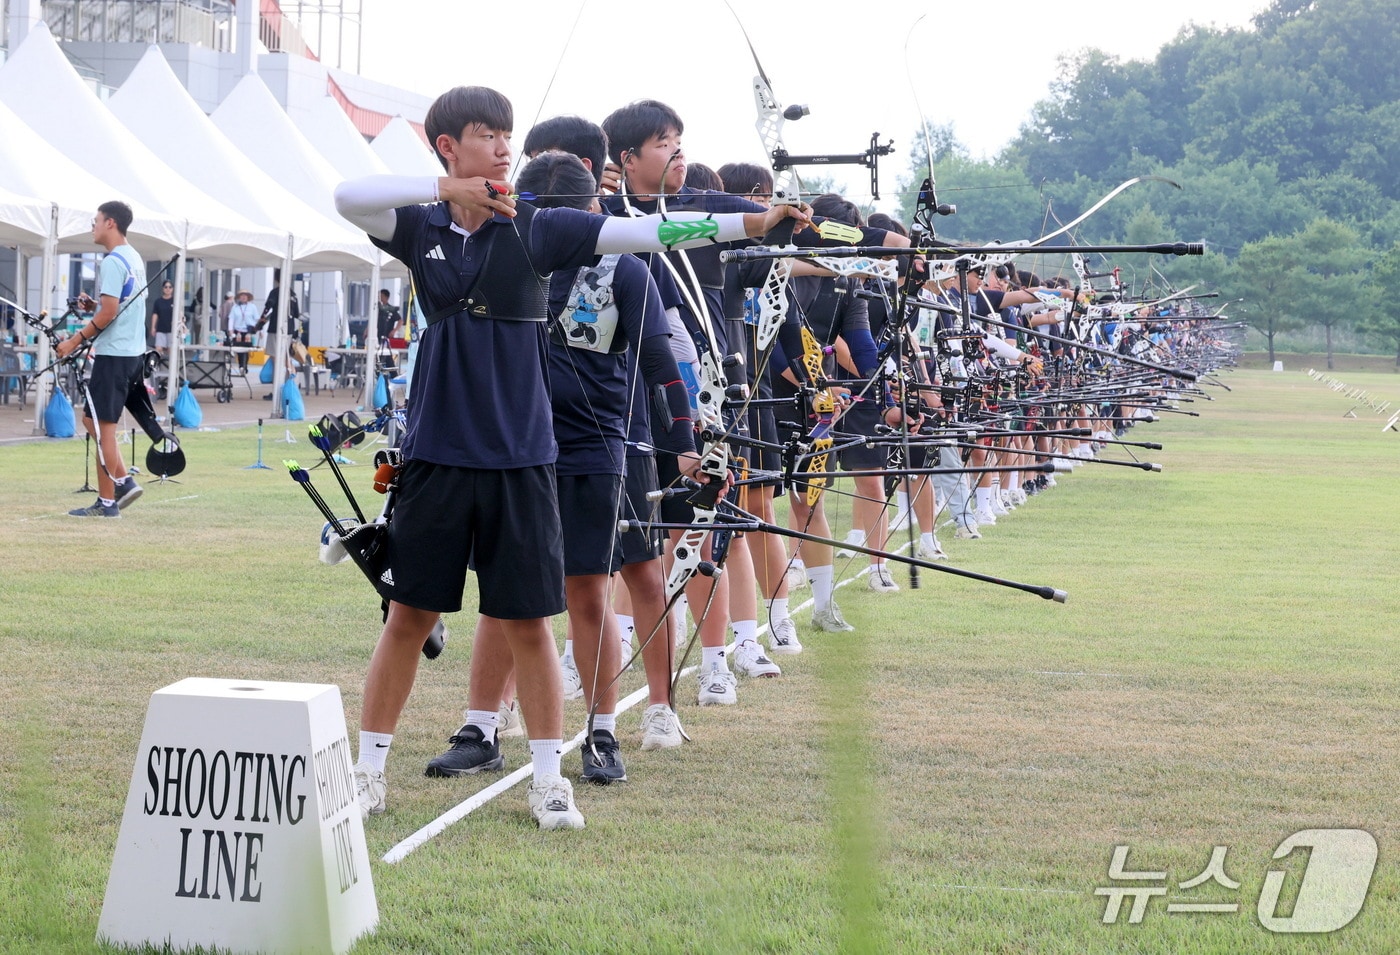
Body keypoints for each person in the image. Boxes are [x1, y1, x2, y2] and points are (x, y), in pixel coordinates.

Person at [332, 85, 809, 829]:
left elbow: (652, 236)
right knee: (407, 615)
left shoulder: (541, 227)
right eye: (485, 135)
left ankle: (551, 778)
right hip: (436, 451)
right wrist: (445, 190)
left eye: (506, 134)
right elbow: (345, 193)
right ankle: (367, 772)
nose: (501, 146)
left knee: (528, 618)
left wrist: (753, 221)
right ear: (448, 146)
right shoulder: (418, 224)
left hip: (524, 456)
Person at [55, 201, 147, 517]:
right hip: (130, 353)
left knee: (100, 426)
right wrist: (95, 305)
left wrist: (74, 340)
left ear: (110, 223)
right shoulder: (134, 257)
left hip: (114, 354)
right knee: (95, 422)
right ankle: (118, 490)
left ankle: (115, 493)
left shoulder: (111, 262)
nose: (92, 226)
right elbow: (118, 306)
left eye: (95, 221)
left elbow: (110, 313)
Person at [227, 289, 258, 373]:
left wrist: (258, 330)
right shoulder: (235, 307)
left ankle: (244, 366)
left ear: (248, 297)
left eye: (245, 295)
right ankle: (241, 365)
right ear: (239, 297)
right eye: (242, 295)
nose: (244, 297)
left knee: (246, 349)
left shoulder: (252, 307)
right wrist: (230, 330)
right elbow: (231, 319)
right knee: (239, 349)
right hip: (238, 331)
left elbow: (256, 319)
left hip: (248, 331)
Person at [149, 278, 174, 359]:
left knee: (171, 349)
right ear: (163, 289)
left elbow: (180, 314)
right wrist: (153, 327)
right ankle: (158, 364)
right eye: (166, 287)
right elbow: (155, 314)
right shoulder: (158, 301)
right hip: (161, 328)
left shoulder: (175, 301)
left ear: (172, 289)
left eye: (170, 287)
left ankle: (170, 367)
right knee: (158, 348)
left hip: (171, 329)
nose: (168, 289)